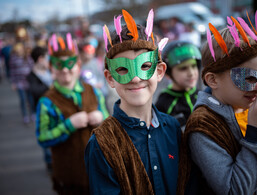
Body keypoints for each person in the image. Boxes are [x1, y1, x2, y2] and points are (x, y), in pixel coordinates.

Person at [84, 9, 181, 194]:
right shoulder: (101, 144)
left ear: (159, 71)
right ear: (110, 77)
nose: (135, 79)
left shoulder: (173, 128)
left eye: (145, 66)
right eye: (122, 69)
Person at [177, 15, 257, 194]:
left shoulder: (248, 108)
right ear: (213, 80)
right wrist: (255, 132)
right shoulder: (204, 126)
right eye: (249, 78)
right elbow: (234, 190)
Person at [36, 33, 108, 194]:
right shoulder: (46, 102)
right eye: (59, 65)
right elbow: (42, 138)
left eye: (70, 63)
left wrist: (101, 118)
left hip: (100, 172)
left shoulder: (94, 91)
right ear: (51, 67)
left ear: (79, 65)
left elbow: (108, 121)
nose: (65, 69)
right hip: (69, 178)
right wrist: (68, 125)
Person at [155, 41, 201, 131]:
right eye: (183, 68)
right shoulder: (164, 102)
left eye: (194, 66)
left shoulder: (202, 95)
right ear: (167, 73)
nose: (191, 73)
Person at [27, 46, 53, 172]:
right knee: (46, 135)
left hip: (55, 109)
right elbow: (34, 91)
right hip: (41, 110)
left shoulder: (50, 70)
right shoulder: (32, 75)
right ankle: (49, 161)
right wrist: (50, 88)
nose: (48, 59)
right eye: (46, 57)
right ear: (40, 58)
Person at [9, 42, 34, 124]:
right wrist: (13, 83)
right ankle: (25, 115)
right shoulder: (13, 58)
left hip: (28, 82)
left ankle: (32, 113)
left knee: (30, 99)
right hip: (19, 82)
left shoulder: (27, 57)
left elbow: (32, 67)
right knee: (23, 99)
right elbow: (12, 71)